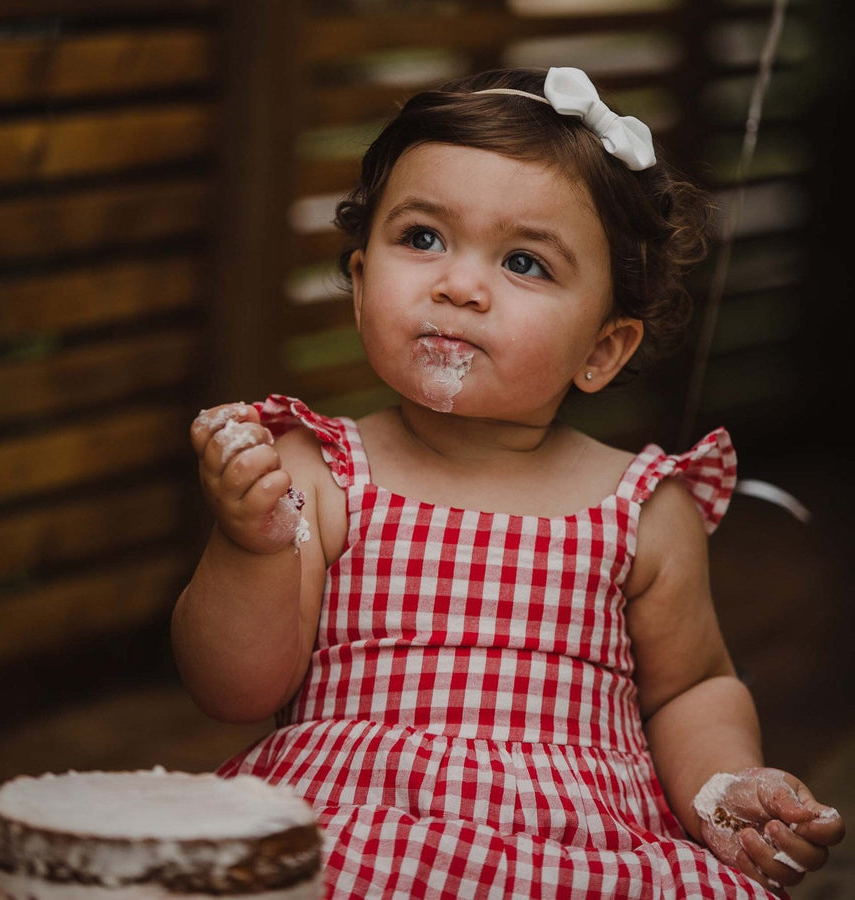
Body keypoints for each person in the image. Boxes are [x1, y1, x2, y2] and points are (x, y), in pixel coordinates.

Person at [172, 66, 844, 898]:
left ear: (602, 350)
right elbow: (235, 690)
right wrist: (251, 545)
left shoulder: (640, 507)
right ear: (356, 285)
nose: (458, 284)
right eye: (422, 239)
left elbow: (691, 688)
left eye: (524, 261)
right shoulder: (319, 472)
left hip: (579, 847)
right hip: (353, 824)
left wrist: (723, 788)